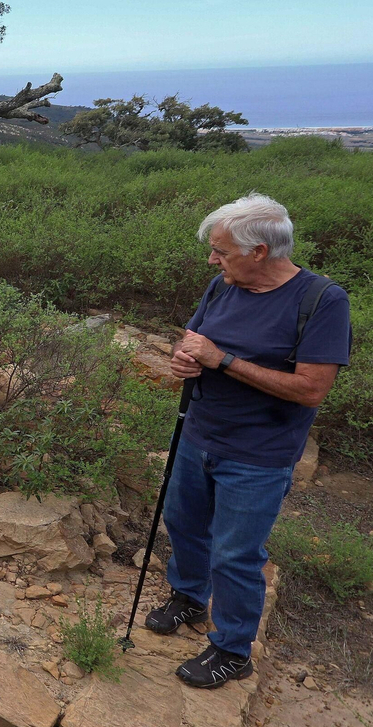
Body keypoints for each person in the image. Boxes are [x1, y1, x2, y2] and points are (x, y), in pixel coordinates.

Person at [145, 192, 351, 689]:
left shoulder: (321, 301)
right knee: (184, 523)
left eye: (221, 251)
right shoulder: (222, 286)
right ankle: (189, 596)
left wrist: (224, 361)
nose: (212, 260)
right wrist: (184, 358)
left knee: (236, 553)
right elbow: (195, 339)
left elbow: (312, 389)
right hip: (197, 433)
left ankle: (232, 649)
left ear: (260, 251)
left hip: (259, 454)